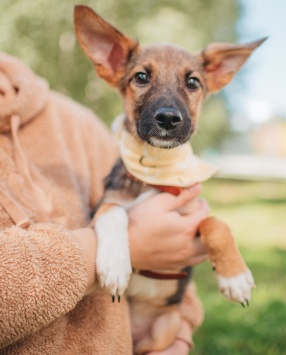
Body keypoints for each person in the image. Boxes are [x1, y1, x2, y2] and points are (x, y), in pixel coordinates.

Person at [0, 52, 209, 354]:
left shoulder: (78, 122)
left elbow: (165, 240)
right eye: (141, 78)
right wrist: (125, 246)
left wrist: (178, 333)